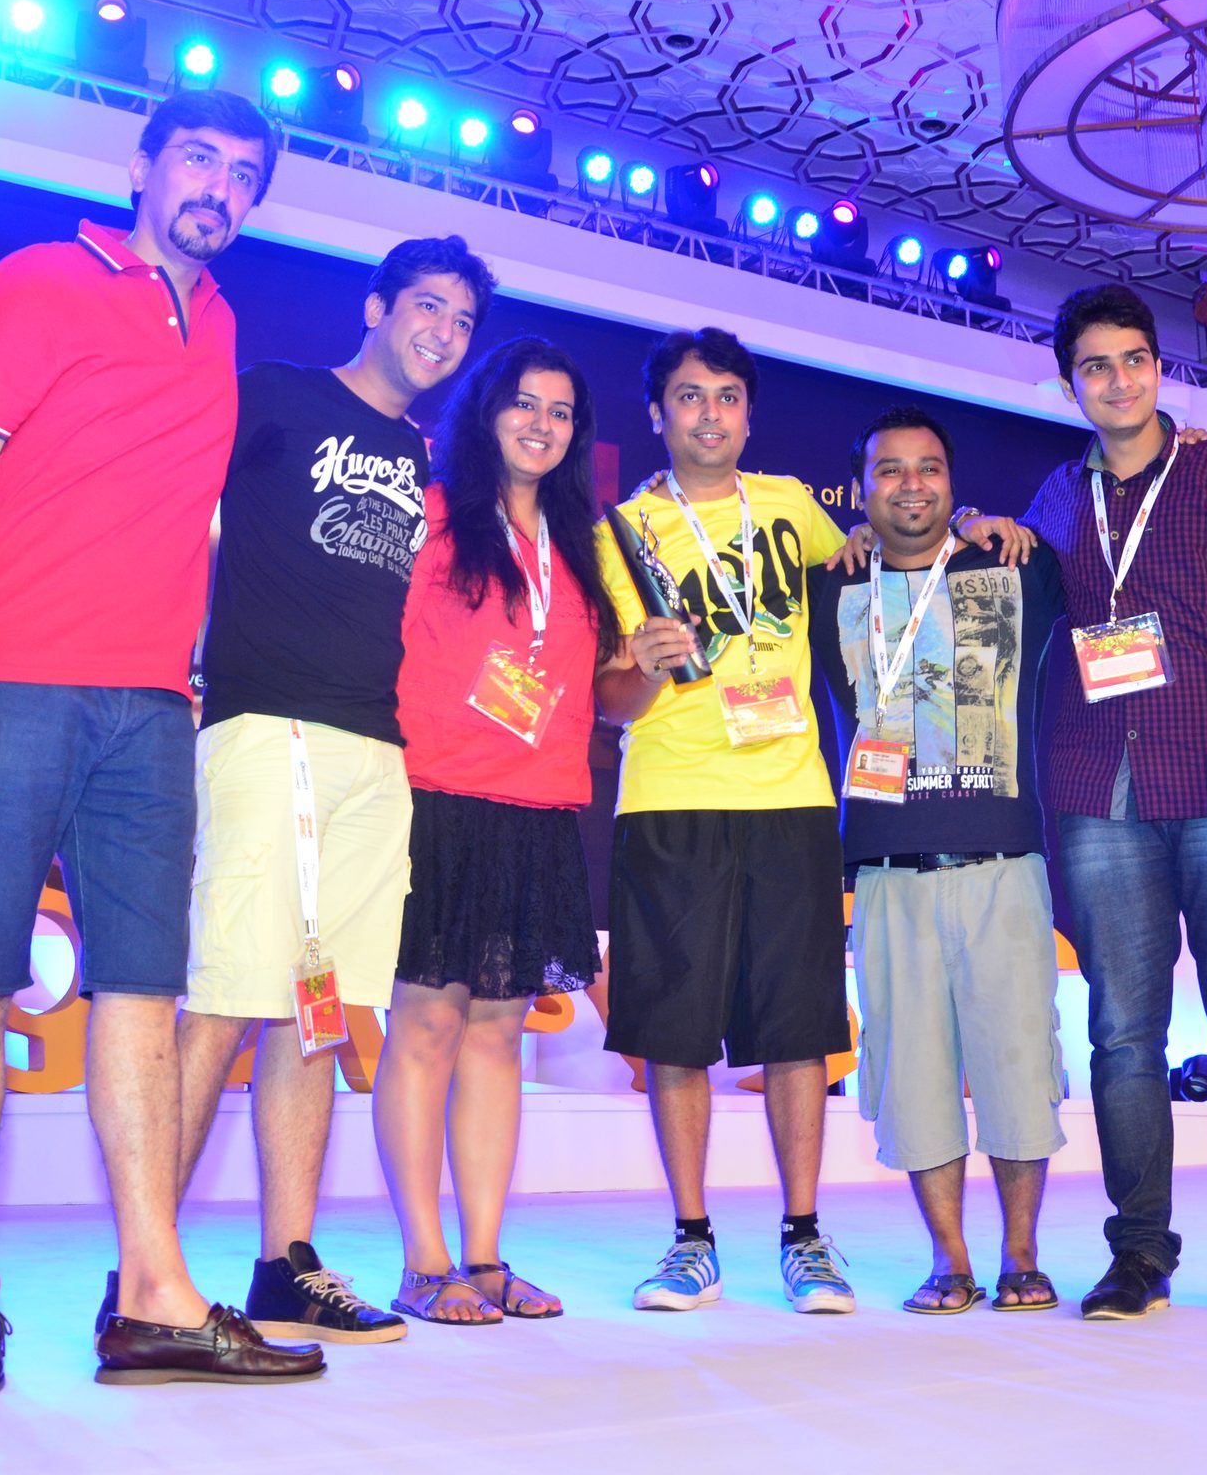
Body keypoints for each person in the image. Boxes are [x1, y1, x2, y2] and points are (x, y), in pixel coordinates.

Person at [0, 91, 322, 1391]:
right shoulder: (41, 278)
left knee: (143, 990)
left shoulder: (223, 326)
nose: (220, 188)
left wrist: (186, 666)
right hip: (13, 688)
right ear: (142, 166)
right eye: (199, 159)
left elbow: (182, 512)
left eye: (244, 173)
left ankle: (152, 1293)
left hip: (150, 713)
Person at [169, 236, 496, 1345]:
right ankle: (146, 1272)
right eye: (426, 306)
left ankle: (285, 1264)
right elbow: (169, 494)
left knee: (317, 1014)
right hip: (269, 729)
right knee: (225, 998)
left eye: (461, 320)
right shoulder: (276, 395)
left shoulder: (421, 458)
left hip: (373, 752)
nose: (442, 332)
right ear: (376, 307)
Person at [1018, 284, 1207, 1322]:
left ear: (1158, 368)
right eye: (1095, 366)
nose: (1118, 381)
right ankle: (1138, 1253)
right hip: (1096, 790)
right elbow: (1014, 594)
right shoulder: (1056, 498)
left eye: (1134, 360)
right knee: (1120, 1037)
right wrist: (980, 526)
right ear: (1069, 384)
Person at [591, 327, 861, 1316]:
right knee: (674, 1036)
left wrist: (957, 520)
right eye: (690, 396)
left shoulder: (790, 504)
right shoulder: (619, 531)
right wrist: (643, 665)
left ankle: (804, 1237)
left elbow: (879, 564)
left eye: (728, 396)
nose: (710, 414)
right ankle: (691, 1241)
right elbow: (609, 703)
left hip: (792, 797)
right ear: (657, 413)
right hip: (669, 798)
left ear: (749, 413)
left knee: (797, 1031)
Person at [369, 337, 616, 1325]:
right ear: (486, 410)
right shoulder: (430, 516)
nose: (540, 424)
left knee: (498, 1034)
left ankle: (483, 1257)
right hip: (434, 797)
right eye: (523, 403)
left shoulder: (580, 549)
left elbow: (590, 686)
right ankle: (422, 1263)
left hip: (538, 807)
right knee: (425, 1024)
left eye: (560, 411)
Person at [808, 406, 1069, 1316]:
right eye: (889, 469)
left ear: (953, 484)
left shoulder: (1015, 567)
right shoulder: (831, 587)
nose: (910, 484)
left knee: (1018, 1064)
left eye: (928, 469)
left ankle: (1022, 1255)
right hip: (888, 871)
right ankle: (949, 1260)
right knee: (911, 1072)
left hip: (1004, 864)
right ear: (862, 488)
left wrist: (982, 525)